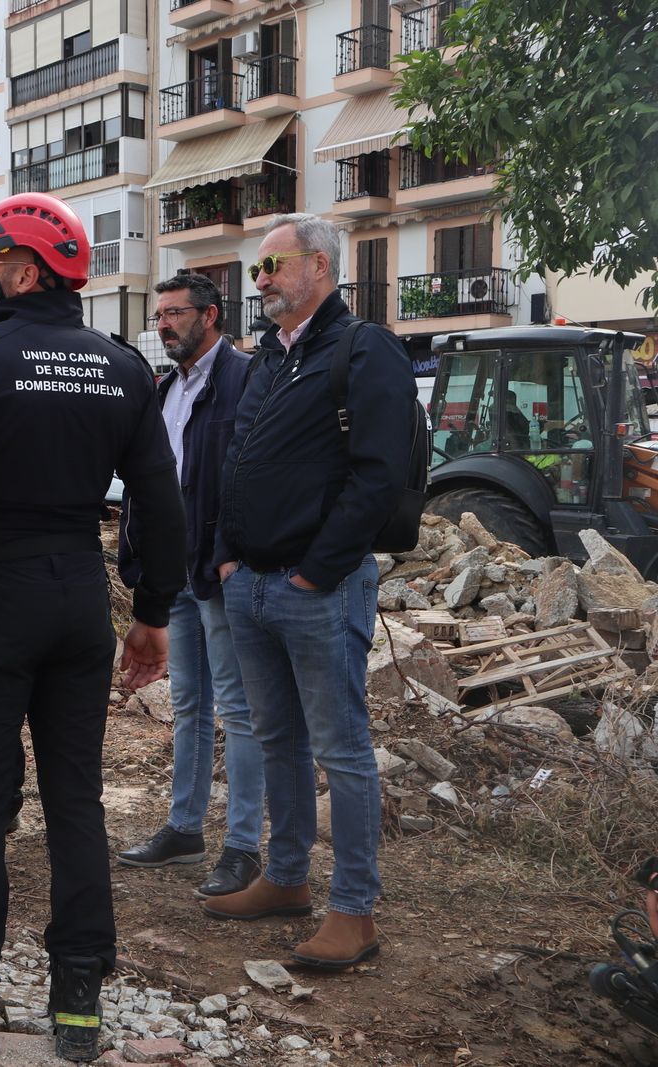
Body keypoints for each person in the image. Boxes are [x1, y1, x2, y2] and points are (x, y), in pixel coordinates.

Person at [0, 192, 187, 1064]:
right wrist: (153, 611)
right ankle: (80, 1002)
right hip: (74, 597)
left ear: (20, 270)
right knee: (77, 800)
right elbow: (160, 500)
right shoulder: (121, 364)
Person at [204, 213, 416, 971]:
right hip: (252, 585)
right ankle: (287, 879)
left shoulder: (364, 349)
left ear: (320, 267)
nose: (259, 280)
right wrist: (229, 557)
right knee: (277, 740)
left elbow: (377, 473)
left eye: (274, 266)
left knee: (342, 750)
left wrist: (316, 571)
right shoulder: (270, 357)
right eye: (257, 269)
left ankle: (354, 912)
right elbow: (238, 461)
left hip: (316, 588)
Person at [116, 273, 265, 900]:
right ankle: (184, 828)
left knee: (239, 709)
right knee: (189, 705)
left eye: (175, 314)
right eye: (159, 316)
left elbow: (254, 475)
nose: (164, 325)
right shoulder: (163, 388)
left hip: (219, 570)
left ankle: (243, 846)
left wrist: (235, 554)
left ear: (211, 315)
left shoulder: (245, 379)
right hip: (171, 572)